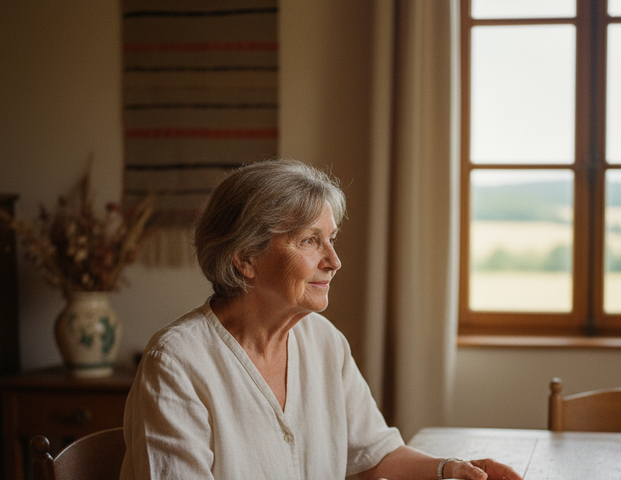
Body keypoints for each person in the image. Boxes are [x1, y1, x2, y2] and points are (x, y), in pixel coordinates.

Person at [120, 159, 523, 480]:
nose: (334, 261)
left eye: (331, 239)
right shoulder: (176, 363)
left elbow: (373, 453)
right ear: (245, 258)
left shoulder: (324, 341)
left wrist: (449, 470)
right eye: (310, 241)